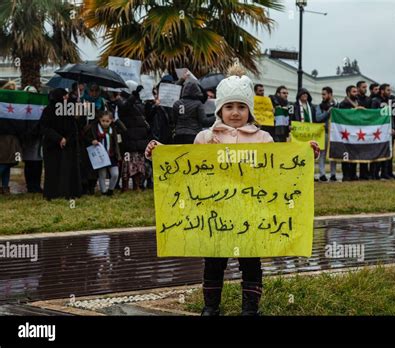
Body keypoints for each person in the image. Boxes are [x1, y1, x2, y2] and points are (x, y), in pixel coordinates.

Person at [145, 71, 320, 316]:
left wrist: (304, 153)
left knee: (251, 262)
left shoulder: (263, 139)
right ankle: (210, 307)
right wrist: (161, 152)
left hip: (251, 215)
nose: (235, 112)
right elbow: (186, 164)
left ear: (250, 110)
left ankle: (250, 309)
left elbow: (279, 167)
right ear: (219, 110)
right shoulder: (205, 138)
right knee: (214, 262)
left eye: (241, 106)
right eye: (229, 106)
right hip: (214, 214)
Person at [40, 88, 82, 200]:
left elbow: (74, 128)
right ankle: (52, 193)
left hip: (67, 145)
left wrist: (78, 115)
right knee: (53, 169)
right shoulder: (48, 111)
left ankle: (68, 192)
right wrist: (58, 138)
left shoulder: (69, 109)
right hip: (52, 145)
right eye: (64, 97)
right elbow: (44, 128)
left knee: (67, 169)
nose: (66, 99)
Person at [120, 81, 151, 191]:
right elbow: (125, 107)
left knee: (138, 164)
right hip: (130, 138)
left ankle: (137, 185)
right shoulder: (123, 102)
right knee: (127, 164)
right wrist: (134, 95)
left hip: (140, 138)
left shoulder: (139, 102)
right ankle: (125, 186)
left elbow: (146, 116)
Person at [85, 111, 121, 195]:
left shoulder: (113, 129)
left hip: (112, 155)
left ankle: (111, 190)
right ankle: (104, 192)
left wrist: (117, 121)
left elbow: (124, 129)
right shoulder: (94, 128)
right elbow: (86, 137)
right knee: (102, 175)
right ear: (100, 120)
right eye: (103, 121)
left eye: (107, 121)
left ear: (111, 120)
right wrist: (92, 141)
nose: (105, 123)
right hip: (100, 155)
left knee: (115, 174)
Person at [370, 83, 395, 180]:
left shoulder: (390, 102)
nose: (389, 92)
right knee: (378, 152)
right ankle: (374, 173)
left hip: (389, 131)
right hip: (379, 132)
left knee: (389, 152)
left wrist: (393, 127)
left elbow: (391, 116)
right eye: (388, 90)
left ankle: (387, 172)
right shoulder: (375, 101)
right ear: (382, 91)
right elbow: (374, 116)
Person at [21, 86, 43, 193]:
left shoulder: (39, 107)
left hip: (38, 139)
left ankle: (36, 185)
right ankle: (30, 186)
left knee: (38, 163)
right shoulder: (21, 107)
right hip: (27, 139)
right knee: (29, 164)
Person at [338, 85, 361, 181]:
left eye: (356, 91)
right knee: (346, 154)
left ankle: (353, 173)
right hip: (346, 133)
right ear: (348, 93)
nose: (356, 93)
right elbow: (343, 116)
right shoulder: (343, 104)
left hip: (355, 133)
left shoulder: (357, 102)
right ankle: (346, 174)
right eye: (354, 92)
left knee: (354, 154)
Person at [319, 87, 338, 181]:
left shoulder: (337, 105)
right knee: (322, 153)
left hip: (335, 133)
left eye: (324, 94)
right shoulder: (320, 106)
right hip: (324, 132)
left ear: (330, 94)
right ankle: (322, 174)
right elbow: (318, 118)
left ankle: (333, 174)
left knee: (333, 154)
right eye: (322, 94)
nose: (322, 96)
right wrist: (328, 112)